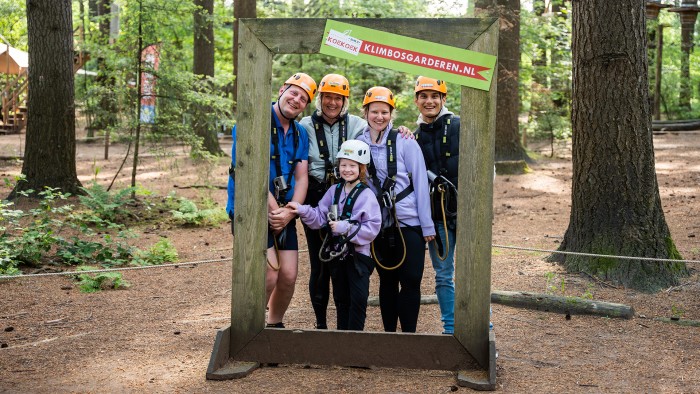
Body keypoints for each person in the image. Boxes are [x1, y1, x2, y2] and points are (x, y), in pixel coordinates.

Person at [226, 72, 317, 328]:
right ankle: (249, 330)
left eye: (303, 98)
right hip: (251, 210)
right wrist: (275, 209)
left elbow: (301, 178)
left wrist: (290, 211)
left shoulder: (300, 133)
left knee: (288, 275)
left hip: (284, 212)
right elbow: (247, 169)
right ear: (281, 90)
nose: (296, 100)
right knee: (268, 274)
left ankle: (274, 326)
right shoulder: (253, 120)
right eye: (293, 92)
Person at [357, 86, 435, 333]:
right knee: (387, 280)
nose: (379, 117)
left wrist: (427, 224)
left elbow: (421, 181)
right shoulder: (358, 143)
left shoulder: (405, 141)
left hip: (409, 221)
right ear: (366, 112)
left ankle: (408, 336)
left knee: (411, 279)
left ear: (391, 114)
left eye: (384, 112)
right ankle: (390, 335)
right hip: (379, 223)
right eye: (374, 112)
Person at [288, 140, 381, 331]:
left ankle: (355, 342)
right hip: (337, 256)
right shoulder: (334, 191)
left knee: (358, 299)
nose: (347, 169)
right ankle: (341, 343)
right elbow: (319, 217)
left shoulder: (367, 196)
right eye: (344, 165)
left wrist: (344, 227)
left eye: (352, 165)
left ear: (361, 168)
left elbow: (372, 228)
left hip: (358, 257)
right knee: (341, 299)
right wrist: (301, 209)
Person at [298, 74, 367, 330]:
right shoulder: (304, 125)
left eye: (338, 98)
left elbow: (380, 135)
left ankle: (344, 324)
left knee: (342, 260)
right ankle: (320, 324)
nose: (332, 102)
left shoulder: (357, 125)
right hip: (317, 195)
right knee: (320, 262)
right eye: (328, 96)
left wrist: (404, 131)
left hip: (347, 195)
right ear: (320, 98)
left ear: (345, 100)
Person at [412, 76, 460, 335]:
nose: (429, 101)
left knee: (472, 272)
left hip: (467, 211)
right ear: (416, 100)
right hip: (437, 214)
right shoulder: (414, 136)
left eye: (434, 96)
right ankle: (450, 329)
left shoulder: (460, 126)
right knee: (443, 274)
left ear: (443, 99)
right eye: (424, 96)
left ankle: (481, 326)